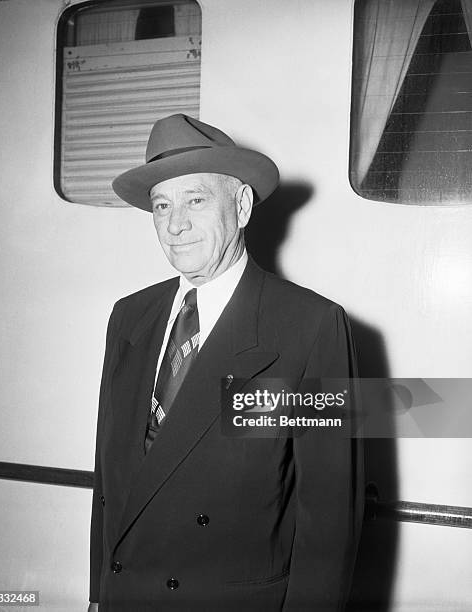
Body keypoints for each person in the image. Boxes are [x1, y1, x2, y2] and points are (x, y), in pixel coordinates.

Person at [88, 114, 364, 611]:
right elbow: (110, 482)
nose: (176, 225)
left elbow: (329, 517)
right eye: (161, 205)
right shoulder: (130, 317)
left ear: (240, 206)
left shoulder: (308, 327)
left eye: (195, 200)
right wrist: (97, 595)